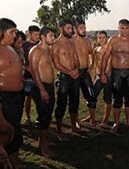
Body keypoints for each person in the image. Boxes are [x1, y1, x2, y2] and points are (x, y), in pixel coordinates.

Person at [0, 18, 24, 168]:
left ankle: (13, 159)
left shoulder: (11, 50)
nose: (14, 36)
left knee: (15, 129)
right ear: (1, 32)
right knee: (7, 131)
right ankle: (5, 160)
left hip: (17, 97)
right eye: (12, 32)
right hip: (3, 98)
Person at [101, 19, 129, 134]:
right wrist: (103, 73)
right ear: (118, 28)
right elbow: (105, 57)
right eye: (122, 28)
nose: (125, 30)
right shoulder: (113, 40)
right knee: (117, 99)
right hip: (117, 72)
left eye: (127, 28)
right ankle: (116, 122)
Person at [29, 27, 56, 157]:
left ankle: (42, 141)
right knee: (43, 116)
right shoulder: (36, 51)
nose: (54, 38)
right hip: (41, 87)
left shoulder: (47, 50)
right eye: (51, 36)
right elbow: (33, 71)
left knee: (48, 114)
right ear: (43, 37)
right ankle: (44, 148)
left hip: (49, 86)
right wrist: (42, 89)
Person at [51, 19, 80, 140]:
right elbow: (56, 63)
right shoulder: (56, 44)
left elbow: (76, 58)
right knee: (61, 104)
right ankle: (59, 131)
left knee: (74, 102)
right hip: (64, 78)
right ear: (61, 29)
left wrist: (76, 69)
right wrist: (69, 72)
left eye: (71, 28)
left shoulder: (71, 42)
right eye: (68, 28)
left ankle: (73, 126)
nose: (71, 30)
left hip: (75, 76)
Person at [73, 20, 97, 127]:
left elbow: (91, 54)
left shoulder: (87, 41)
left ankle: (92, 119)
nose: (84, 30)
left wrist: (91, 65)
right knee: (75, 98)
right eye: (81, 28)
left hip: (85, 72)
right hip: (75, 73)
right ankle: (76, 121)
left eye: (85, 28)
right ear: (75, 29)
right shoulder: (71, 41)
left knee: (91, 96)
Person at [93, 30, 113, 128]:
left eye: (103, 37)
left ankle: (105, 120)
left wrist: (104, 75)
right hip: (98, 76)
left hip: (107, 77)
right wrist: (95, 76)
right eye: (99, 38)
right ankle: (91, 117)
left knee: (107, 99)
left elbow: (109, 64)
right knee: (92, 96)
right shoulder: (97, 49)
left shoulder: (110, 50)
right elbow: (96, 64)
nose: (101, 39)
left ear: (107, 38)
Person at [22, 25, 40, 125]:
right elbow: (19, 59)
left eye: (38, 34)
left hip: (40, 75)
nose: (37, 36)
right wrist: (26, 67)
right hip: (29, 76)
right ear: (29, 33)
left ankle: (39, 116)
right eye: (35, 34)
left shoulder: (40, 44)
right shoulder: (24, 45)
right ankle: (28, 118)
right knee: (28, 97)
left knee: (39, 96)